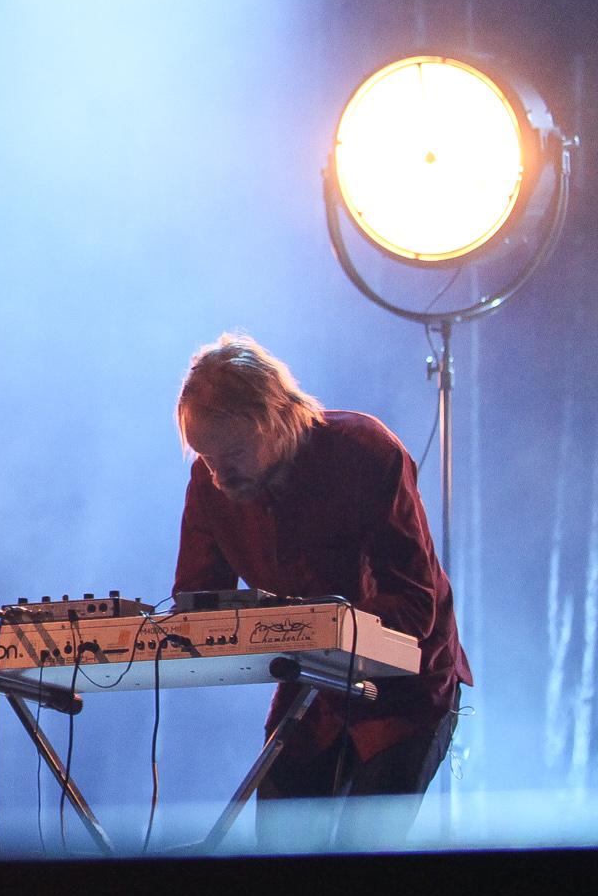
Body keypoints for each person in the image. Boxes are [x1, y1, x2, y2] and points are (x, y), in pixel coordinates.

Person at [172, 333, 469, 849]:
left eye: (233, 453)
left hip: (407, 695)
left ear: (275, 416)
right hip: (310, 692)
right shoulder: (210, 481)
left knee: (362, 857)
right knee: (280, 858)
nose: (219, 476)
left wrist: (314, 625)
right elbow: (198, 603)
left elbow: (415, 607)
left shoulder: (365, 452)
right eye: (206, 458)